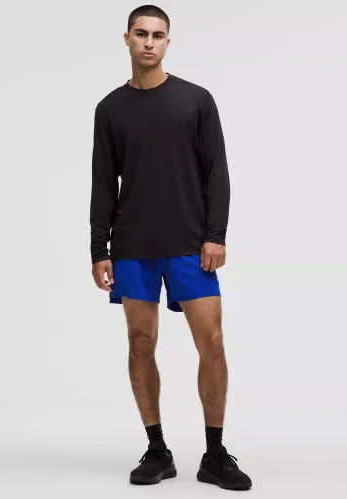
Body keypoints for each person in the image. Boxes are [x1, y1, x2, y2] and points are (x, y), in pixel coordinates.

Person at [90, 4, 252, 491]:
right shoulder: (110, 109)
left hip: (189, 243)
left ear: (167, 41)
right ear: (126, 38)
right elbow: (103, 183)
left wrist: (216, 234)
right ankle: (157, 449)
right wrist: (99, 248)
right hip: (132, 245)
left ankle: (215, 453)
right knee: (140, 342)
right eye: (141, 33)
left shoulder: (195, 100)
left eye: (157, 35)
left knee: (212, 341)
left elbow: (216, 171)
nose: (149, 42)